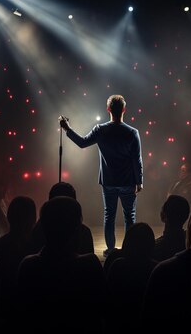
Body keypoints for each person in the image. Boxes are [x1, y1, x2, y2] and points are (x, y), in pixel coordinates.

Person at [59, 94, 143, 258]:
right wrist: (139, 181)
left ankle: (110, 250)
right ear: (124, 110)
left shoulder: (101, 130)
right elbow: (137, 160)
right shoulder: (132, 132)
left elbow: (82, 143)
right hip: (128, 182)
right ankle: (128, 251)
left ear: (108, 109)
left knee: (109, 215)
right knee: (129, 217)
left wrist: (67, 129)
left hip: (109, 181)